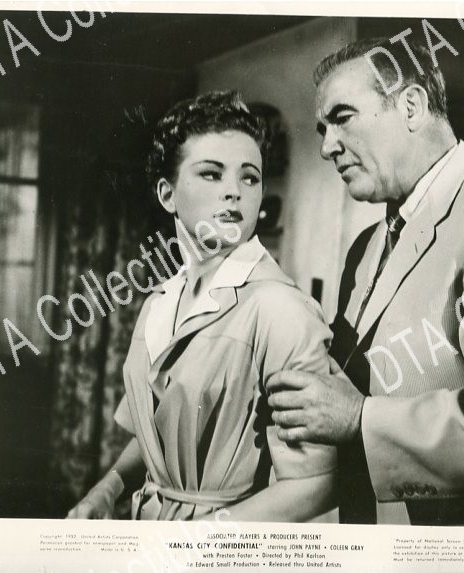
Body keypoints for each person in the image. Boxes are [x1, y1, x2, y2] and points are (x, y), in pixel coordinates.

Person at [266, 38, 464, 528]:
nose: (327, 146)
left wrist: (358, 419)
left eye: (342, 118)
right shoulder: (367, 246)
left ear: (412, 106)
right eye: (322, 129)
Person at [67, 91, 336, 521]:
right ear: (167, 194)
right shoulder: (158, 304)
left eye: (250, 178)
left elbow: (315, 483)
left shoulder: (280, 309)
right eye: (212, 174)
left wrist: (197, 542)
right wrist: (108, 488)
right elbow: (160, 435)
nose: (234, 192)